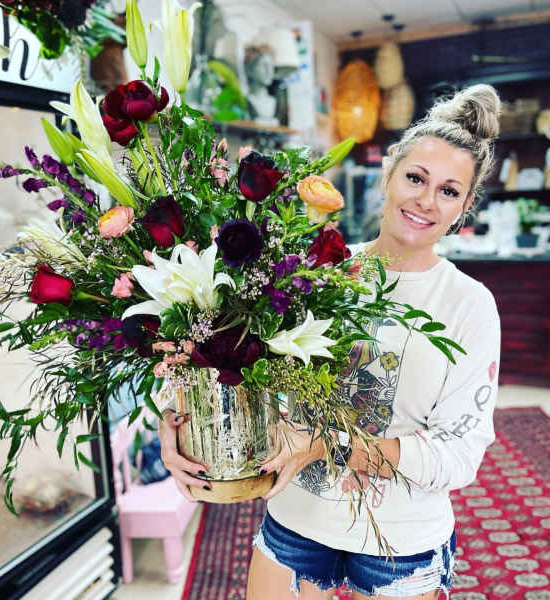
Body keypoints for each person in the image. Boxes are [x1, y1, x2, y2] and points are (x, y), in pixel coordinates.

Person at [158, 84, 502, 600]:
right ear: (389, 171)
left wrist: (329, 444)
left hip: (401, 540)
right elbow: (226, 356)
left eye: (449, 191)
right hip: (297, 518)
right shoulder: (316, 269)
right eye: (416, 177)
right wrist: (176, 423)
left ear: (465, 206)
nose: (426, 201)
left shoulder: (468, 304)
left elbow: (458, 456)